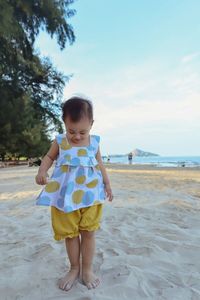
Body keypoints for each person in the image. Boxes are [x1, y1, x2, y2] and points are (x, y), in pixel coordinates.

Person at [35, 96, 113, 292]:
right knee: (70, 234)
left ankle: (87, 269)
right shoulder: (60, 140)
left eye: (82, 131)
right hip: (65, 196)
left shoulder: (94, 142)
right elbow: (49, 157)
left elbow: (100, 164)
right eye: (72, 131)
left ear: (91, 124)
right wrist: (42, 171)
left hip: (91, 194)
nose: (77, 136)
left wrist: (108, 183)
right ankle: (74, 268)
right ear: (65, 122)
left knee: (89, 232)